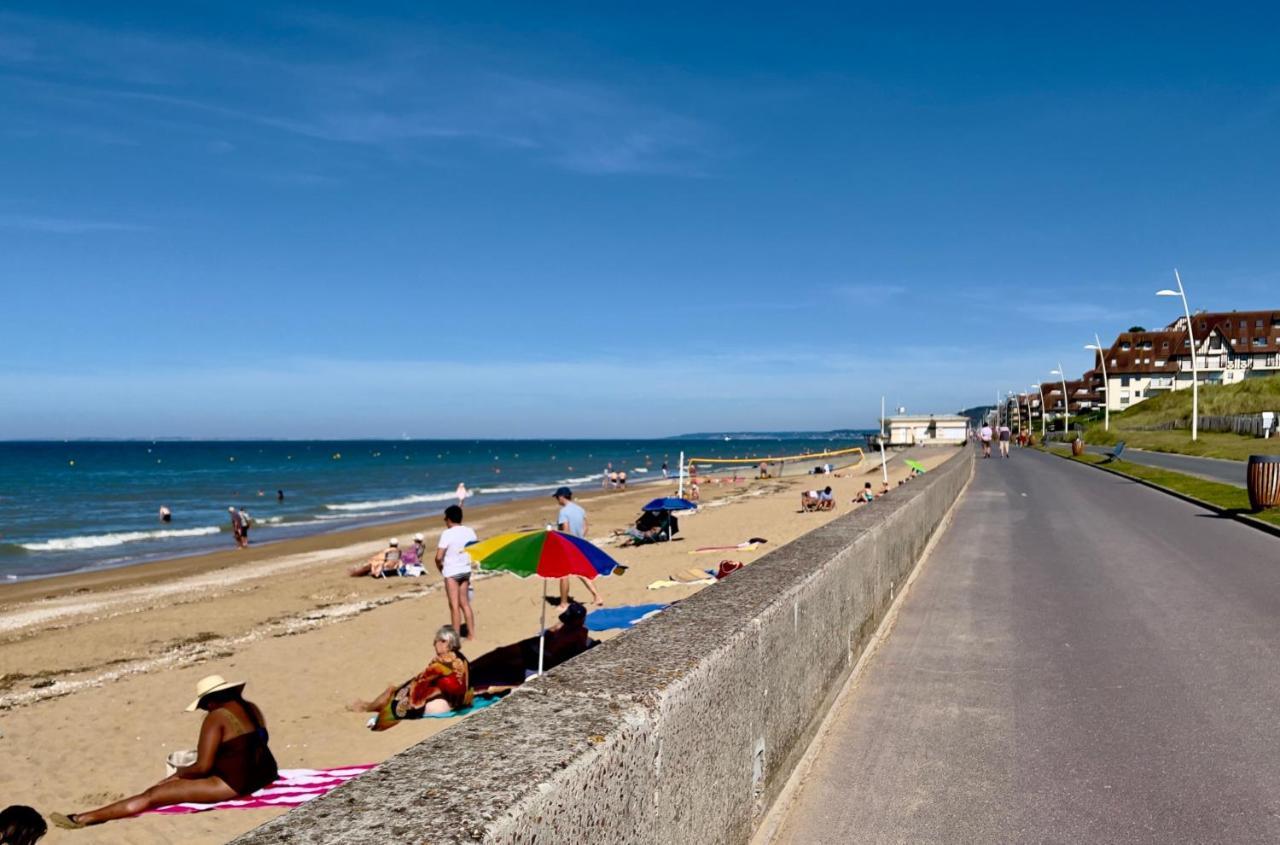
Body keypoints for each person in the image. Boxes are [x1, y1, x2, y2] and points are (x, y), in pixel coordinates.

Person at [50, 675, 278, 829]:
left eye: (202, 705)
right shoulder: (251, 707)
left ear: (209, 702)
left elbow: (203, 767)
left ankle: (82, 818)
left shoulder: (216, 717)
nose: (203, 710)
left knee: (152, 795)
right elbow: (254, 743)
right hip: (266, 772)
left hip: (236, 783)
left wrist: (176, 776)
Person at [348, 625, 472, 730]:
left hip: (444, 705)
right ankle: (370, 705)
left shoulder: (441, 664)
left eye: (436, 641)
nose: (434, 644)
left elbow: (420, 681)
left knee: (393, 693)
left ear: (445, 643)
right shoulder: (461, 658)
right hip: (460, 702)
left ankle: (367, 707)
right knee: (401, 690)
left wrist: (403, 694)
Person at [470, 603, 593, 690]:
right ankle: (472, 666)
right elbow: (550, 633)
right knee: (501, 652)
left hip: (544, 657)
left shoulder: (580, 633)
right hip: (536, 647)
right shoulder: (563, 624)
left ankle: (474, 673)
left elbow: (577, 656)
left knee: (508, 663)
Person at [553, 487, 602, 607]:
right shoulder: (579, 509)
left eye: (557, 498)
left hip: (569, 545)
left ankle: (564, 603)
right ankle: (597, 597)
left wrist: (565, 542)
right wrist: (580, 539)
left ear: (561, 497)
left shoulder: (564, 511)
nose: (557, 500)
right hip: (580, 543)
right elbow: (586, 527)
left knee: (563, 574)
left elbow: (565, 529)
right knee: (582, 573)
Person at [436, 506, 477, 640]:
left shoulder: (447, 533)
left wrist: (440, 569)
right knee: (464, 603)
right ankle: (471, 634)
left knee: (454, 606)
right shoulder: (470, 531)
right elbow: (474, 548)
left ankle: (456, 636)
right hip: (465, 570)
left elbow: (438, 557)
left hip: (452, 572)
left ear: (449, 519)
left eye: (445, 518)